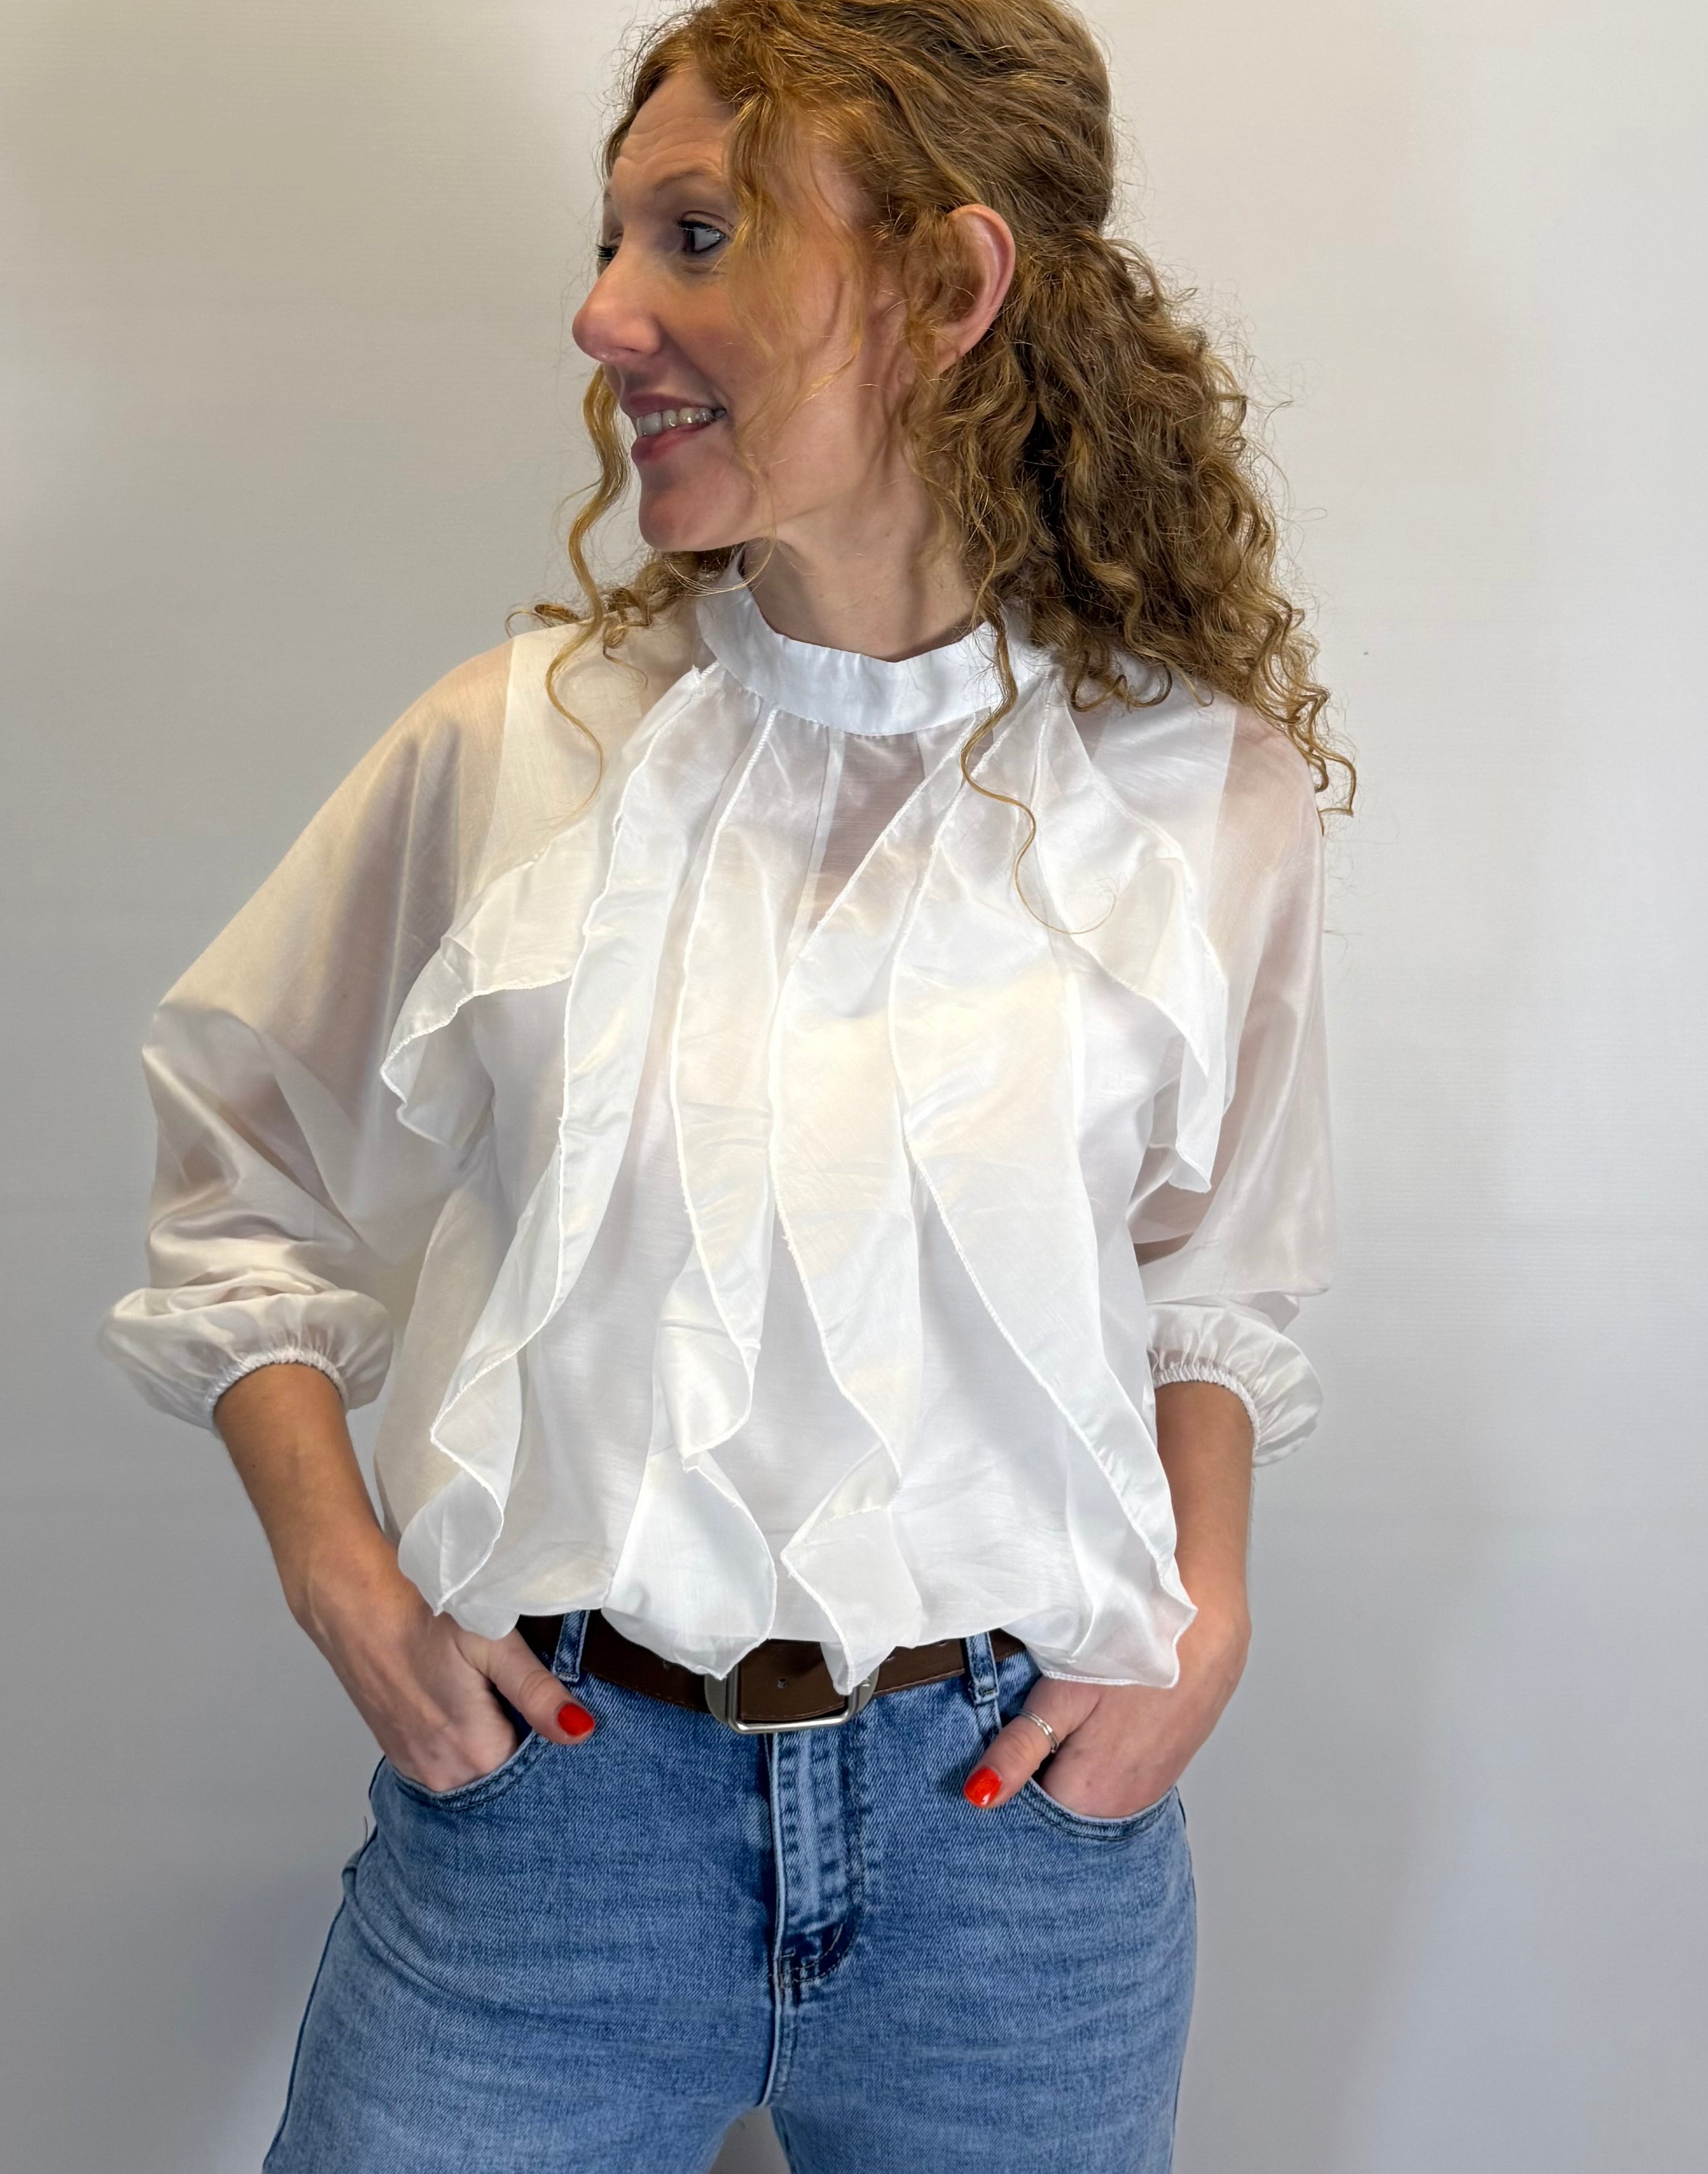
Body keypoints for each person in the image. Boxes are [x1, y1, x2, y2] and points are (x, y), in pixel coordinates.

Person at [102, 2, 1347, 2167]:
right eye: (616, 239)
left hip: (1016, 1845)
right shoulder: (521, 748)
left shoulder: (1201, 802)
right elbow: (238, 1170)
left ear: (951, 289)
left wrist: (1200, 1618)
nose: (602, 313)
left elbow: (1212, 1275)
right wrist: (348, 1585)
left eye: (694, 235)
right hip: (548, 1825)